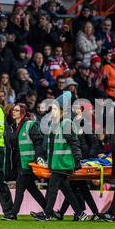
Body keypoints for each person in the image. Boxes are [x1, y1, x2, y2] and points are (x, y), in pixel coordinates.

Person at [34, 92, 88, 221]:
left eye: (54, 109)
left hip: (63, 163)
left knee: (52, 188)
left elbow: (74, 143)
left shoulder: (66, 123)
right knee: (67, 191)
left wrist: (77, 160)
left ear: (62, 110)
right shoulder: (57, 124)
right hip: (58, 163)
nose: (52, 112)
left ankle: (47, 214)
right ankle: (80, 213)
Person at [9, 103, 47, 219]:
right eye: (13, 110)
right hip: (20, 162)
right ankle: (49, 210)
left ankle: (13, 213)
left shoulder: (30, 125)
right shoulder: (14, 126)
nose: (13, 112)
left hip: (28, 163)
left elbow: (39, 143)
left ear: (22, 112)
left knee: (19, 188)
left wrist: (38, 158)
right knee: (33, 189)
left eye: (16, 110)